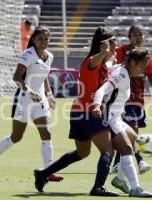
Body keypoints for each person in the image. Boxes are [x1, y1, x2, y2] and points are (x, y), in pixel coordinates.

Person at [33, 27, 119, 196]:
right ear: (105, 44)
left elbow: (102, 66)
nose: (116, 45)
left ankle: (43, 174)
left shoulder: (99, 62)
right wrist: (104, 52)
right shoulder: (93, 60)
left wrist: (109, 56)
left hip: (78, 112)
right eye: (113, 42)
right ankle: (98, 188)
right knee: (108, 151)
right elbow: (94, 62)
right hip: (89, 112)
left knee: (82, 153)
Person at [0, 26, 63, 182]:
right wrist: (29, 91)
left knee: (46, 133)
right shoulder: (28, 55)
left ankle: (48, 171)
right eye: (40, 39)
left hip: (39, 100)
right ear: (33, 39)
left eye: (46, 39)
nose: (43, 42)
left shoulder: (49, 56)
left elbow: (44, 76)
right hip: (23, 99)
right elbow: (16, 78)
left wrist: (49, 95)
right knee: (16, 137)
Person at [93, 47, 152, 198]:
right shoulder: (121, 75)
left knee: (134, 140)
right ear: (132, 62)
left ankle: (120, 179)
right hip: (108, 118)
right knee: (127, 148)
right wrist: (96, 105)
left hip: (117, 117)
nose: (142, 71)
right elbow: (101, 90)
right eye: (141, 66)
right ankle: (135, 188)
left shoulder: (123, 70)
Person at [111, 24, 152, 174]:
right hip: (124, 98)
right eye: (135, 35)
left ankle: (117, 164)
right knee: (131, 130)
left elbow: (151, 73)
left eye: (140, 35)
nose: (138, 38)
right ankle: (140, 161)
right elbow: (116, 68)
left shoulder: (145, 53)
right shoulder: (121, 51)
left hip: (138, 99)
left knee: (129, 131)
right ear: (129, 37)